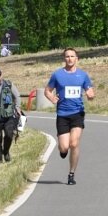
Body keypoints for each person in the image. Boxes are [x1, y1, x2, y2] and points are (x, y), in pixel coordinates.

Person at [44, 48, 96, 185]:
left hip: (77, 113)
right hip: (62, 114)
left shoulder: (83, 75)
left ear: (77, 58)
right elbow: (47, 90)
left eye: (72, 56)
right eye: (67, 56)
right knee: (64, 147)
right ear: (64, 59)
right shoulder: (57, 75)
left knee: (74, 143)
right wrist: (52, 98)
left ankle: (71, 174)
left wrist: (91, 95)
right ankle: (63, 149)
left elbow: (90, 91)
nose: (70, 59)